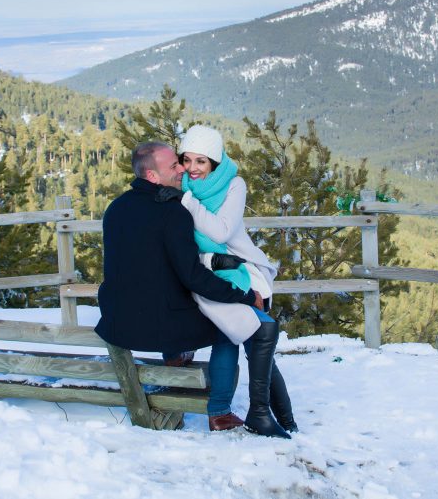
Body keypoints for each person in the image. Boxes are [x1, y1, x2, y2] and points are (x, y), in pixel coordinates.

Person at [94, 141, 264, 426]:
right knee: (228, 327)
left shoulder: (116, 208)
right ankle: (219, 411)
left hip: (118, 320)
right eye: (174, 166)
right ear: (152, 176)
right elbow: (193, 277)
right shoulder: (172, 212)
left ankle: (175, 359)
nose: (182, 170)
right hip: (157, 325)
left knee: (163, 298)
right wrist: (244, 296)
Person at [176, 125, 298, 438]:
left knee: (253, 342)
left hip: (242, 273)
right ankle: (258, 416)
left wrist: (188, 202)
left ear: (214, 162)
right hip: (206, 274)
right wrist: (207, 261)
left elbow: (221, 232)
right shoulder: (180, 183)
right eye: (187, 160)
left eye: (201, 161)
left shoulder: (233, 184)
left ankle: (280, 418)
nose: (193, 168)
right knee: (245, 341)